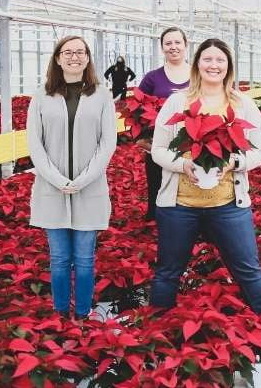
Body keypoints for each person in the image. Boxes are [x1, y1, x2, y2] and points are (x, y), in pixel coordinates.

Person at [149, 38, 261, 313]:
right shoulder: (177, 102)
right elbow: (157, 150)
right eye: (207, 59)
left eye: (220, 60)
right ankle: (156, 339)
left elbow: (259, 153)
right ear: (197, 64)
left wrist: (233, 163)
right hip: (179, 205)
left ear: (229, 67)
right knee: (167, 273)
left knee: (249, 271)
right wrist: (184, 165)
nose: (213, 65)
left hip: (228, 204)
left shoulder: (243, 104)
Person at [26, 35, 117, 320]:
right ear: (57, 58)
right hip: (51, 189)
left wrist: (84, 178)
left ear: (88, 58)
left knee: (85, 260)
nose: (74, 57)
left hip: (89, 189)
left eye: (80, 52)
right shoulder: (41, 95)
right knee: (59, 260)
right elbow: (35, 144)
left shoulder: (102, 95)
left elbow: (107, 142)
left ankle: (82, 314)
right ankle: (61, 313)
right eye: (68, 52)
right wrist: (56, 179)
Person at [138, 27, 191, 220]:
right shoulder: (152, 77)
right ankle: (156, 220)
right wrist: (142, 139)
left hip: (192, 144)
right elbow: (137, 107)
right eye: (168, 43)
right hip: (158, 144)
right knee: (157, 183)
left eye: (177, 42)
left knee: (190, 184)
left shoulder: (198, 74)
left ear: (186, 45)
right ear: (162, 47)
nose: (173, 47)